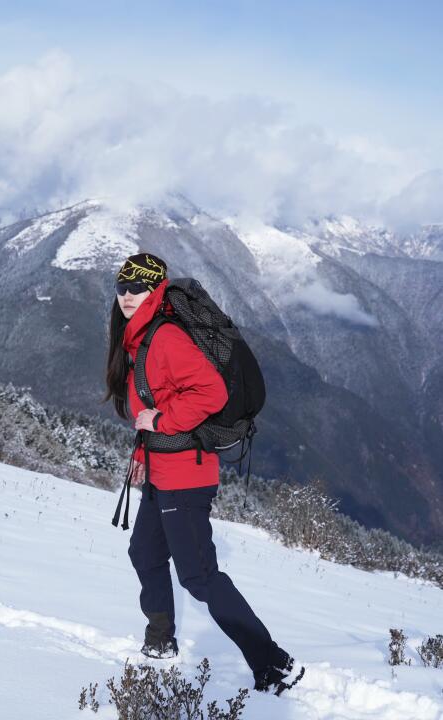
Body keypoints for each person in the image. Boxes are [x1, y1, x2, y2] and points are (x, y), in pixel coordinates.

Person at [102, 251, 304, 695]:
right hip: (162, 469)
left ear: (156, 289)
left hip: (186, 477)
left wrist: (160, 423)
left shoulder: (166, 337)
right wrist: (145, 448)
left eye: (138, 288)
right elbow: (151, 403)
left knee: (199, 576)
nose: (128, 296)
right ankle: (159, 642)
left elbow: (209, 393)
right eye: (122, 287)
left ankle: (274, 662)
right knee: (145, 553)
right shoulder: (139, 338)